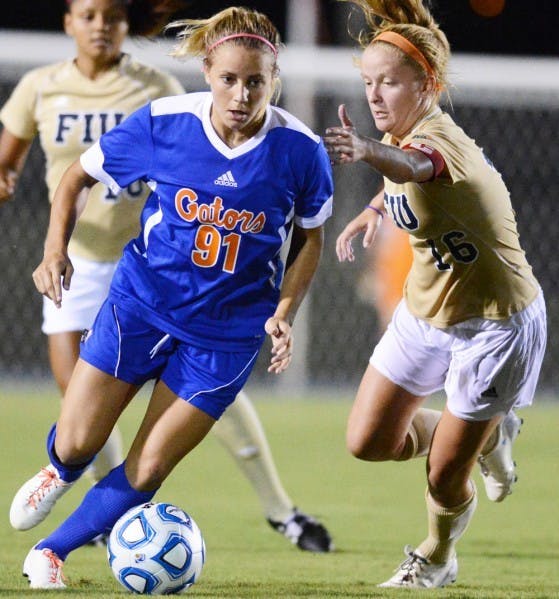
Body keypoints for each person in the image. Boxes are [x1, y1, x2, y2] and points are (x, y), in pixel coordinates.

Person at [7, 5, 334, 588]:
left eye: (255, 82)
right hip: (142, 304)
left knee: (151, 462)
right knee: (80, 439)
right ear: (208, 70)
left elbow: (311, 236)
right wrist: (54, 249)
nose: (241, 94)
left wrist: (284, 311)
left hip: (226, 334)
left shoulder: (301, 151)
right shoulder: (165, 122)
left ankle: (50, 554)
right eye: (229, 79)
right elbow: (78, 176)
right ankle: (59, 470)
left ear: (273, 80)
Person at [324, 0, 546, 589]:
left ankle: (437, 556)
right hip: (425, 310)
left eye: (389, 83)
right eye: (367, 82)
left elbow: (418, 166)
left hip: (496, 324)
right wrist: (373, 209)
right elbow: (404, 170)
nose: (374, 96)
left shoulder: (438, 141)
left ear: (428, 86)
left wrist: (369, 152)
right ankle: (490, 432)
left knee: (445, 476)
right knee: (368, 441)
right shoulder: (404, 131)